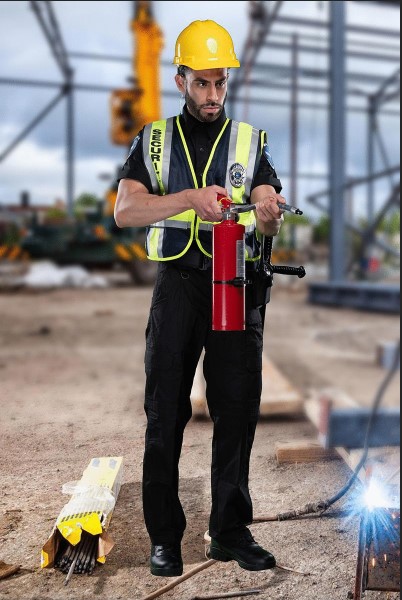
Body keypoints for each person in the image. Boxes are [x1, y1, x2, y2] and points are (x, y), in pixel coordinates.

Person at [115, 19, 286, 578]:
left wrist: (267, 211)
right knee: (165, 412)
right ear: (181, 78)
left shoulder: (248, 141)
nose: (214, 95)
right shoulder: (155, 139)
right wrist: (186, 198)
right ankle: (165, 537)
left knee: (236, 410)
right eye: (203, 83)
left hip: (234, 286)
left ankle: (230, 533)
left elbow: (266, 197)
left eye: (221, 83)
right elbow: (126, 211)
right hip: (178, 289)